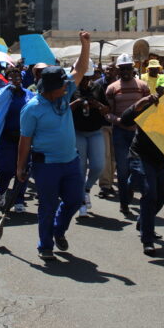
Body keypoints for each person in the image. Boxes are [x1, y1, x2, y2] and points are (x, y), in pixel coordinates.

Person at [16, 31, 91, 261]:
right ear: (49, 88)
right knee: (47, 206)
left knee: (74, 200)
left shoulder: (63, 94)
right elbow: (25, 140)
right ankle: (45, 245)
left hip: (70, 161)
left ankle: (59, 230)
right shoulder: (32, 109)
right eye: (62, 86)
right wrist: (20, 167)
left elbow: (80, 69)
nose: (67, 88)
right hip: (46, 165)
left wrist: (85, 45)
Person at [121, 74, 164, 255]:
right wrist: (141, 102)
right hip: (142, 156)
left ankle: (143, 220)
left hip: (161, 158)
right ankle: (147, 238)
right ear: (158, 90)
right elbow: (125, 120)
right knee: (149, 194)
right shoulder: (147, 105)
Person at [105, 53, 150, 216]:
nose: (125, 71)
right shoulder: (112, 88)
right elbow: (108, 113)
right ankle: (124, 203)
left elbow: (149, 109)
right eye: (122, 69)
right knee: (123, 169)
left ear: (133, 69)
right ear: (118, 70)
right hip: (120, 133)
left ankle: (132, 190)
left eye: (128, 68)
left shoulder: (143, 86)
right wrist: (118, 120)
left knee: (139, 169)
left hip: (139, 134)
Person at [70, 59, 109, 216]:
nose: (85, 81)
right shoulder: (71, 87)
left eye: (88, 77)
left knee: (99, 165)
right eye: (83, 77)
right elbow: (63, 110)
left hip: (95, 131)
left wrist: (97, 105)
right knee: (80, 167)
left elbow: (107, 109)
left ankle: (86, 189)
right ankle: (81, 201)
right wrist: (78, 103)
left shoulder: (97, 87)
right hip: (78, 132)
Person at [0, 67, 34, 213]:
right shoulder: (1, 95)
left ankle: (19, 199)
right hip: (5, 138)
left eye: (18, 77)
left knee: (23, 169)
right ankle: (1, 190)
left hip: (25, 138)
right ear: (6, 80)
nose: (15, 80)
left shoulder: (29, 94)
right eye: (11, 77)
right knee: (6, 169)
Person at [96, 62, 118, 198]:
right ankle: (104, 185)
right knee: (105, 155)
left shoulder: (120, 84)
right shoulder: (98, 84)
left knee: (114, 157)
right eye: (108, 69)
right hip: (102, 125)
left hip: (117, 125)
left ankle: (109, 183)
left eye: (112, 69)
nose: (109, 71)